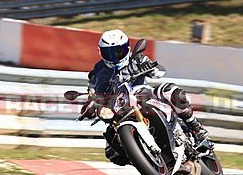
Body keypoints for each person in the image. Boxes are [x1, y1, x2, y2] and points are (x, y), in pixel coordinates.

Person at [86, 29, 210, 165]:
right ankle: (140, 156)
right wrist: (92, 102)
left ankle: (196, 129)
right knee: (112, 153)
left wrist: (150, 67)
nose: (114, 56)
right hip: (119, 106)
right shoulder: (99, 69)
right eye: (108, 53)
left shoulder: (136, 59)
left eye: (117, 51)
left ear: (126, 48)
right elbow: (93, 89)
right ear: (101, 52)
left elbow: (160, 72)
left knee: (171, 91)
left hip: (143, 95)